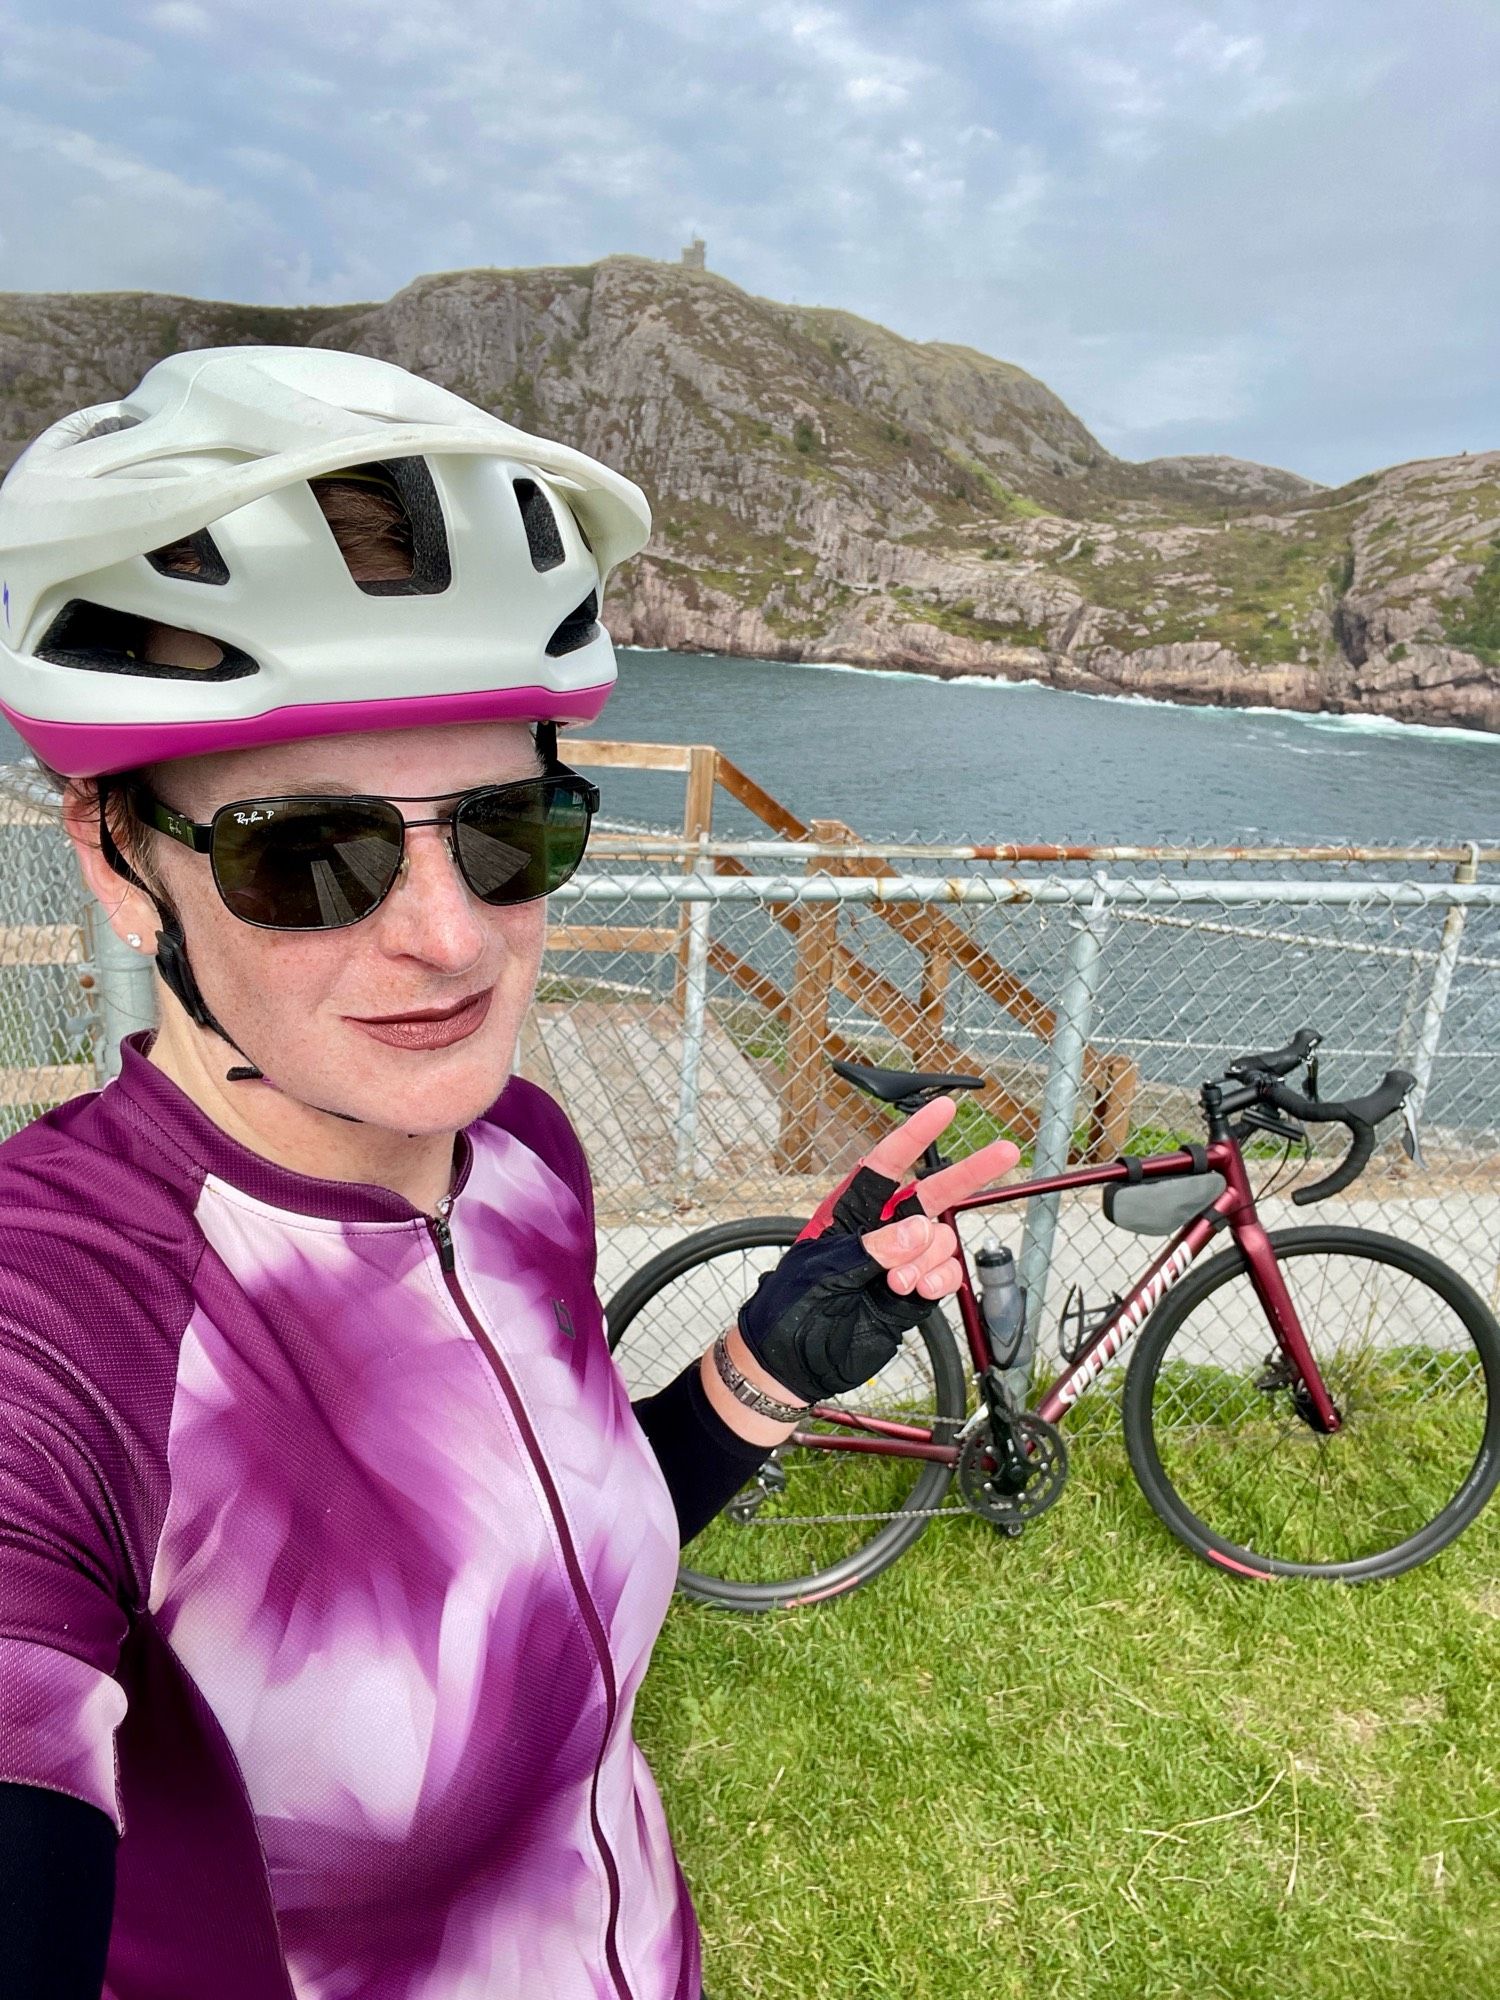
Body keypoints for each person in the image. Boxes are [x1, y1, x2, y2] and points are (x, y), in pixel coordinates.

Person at [0, 347, 1018, 2000]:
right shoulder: (63, 1315)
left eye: (505, 828)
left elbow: (545, 1577)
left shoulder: (523, 1156)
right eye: (304, 851)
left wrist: (764, 1369)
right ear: (120, 862)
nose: (452, 936)